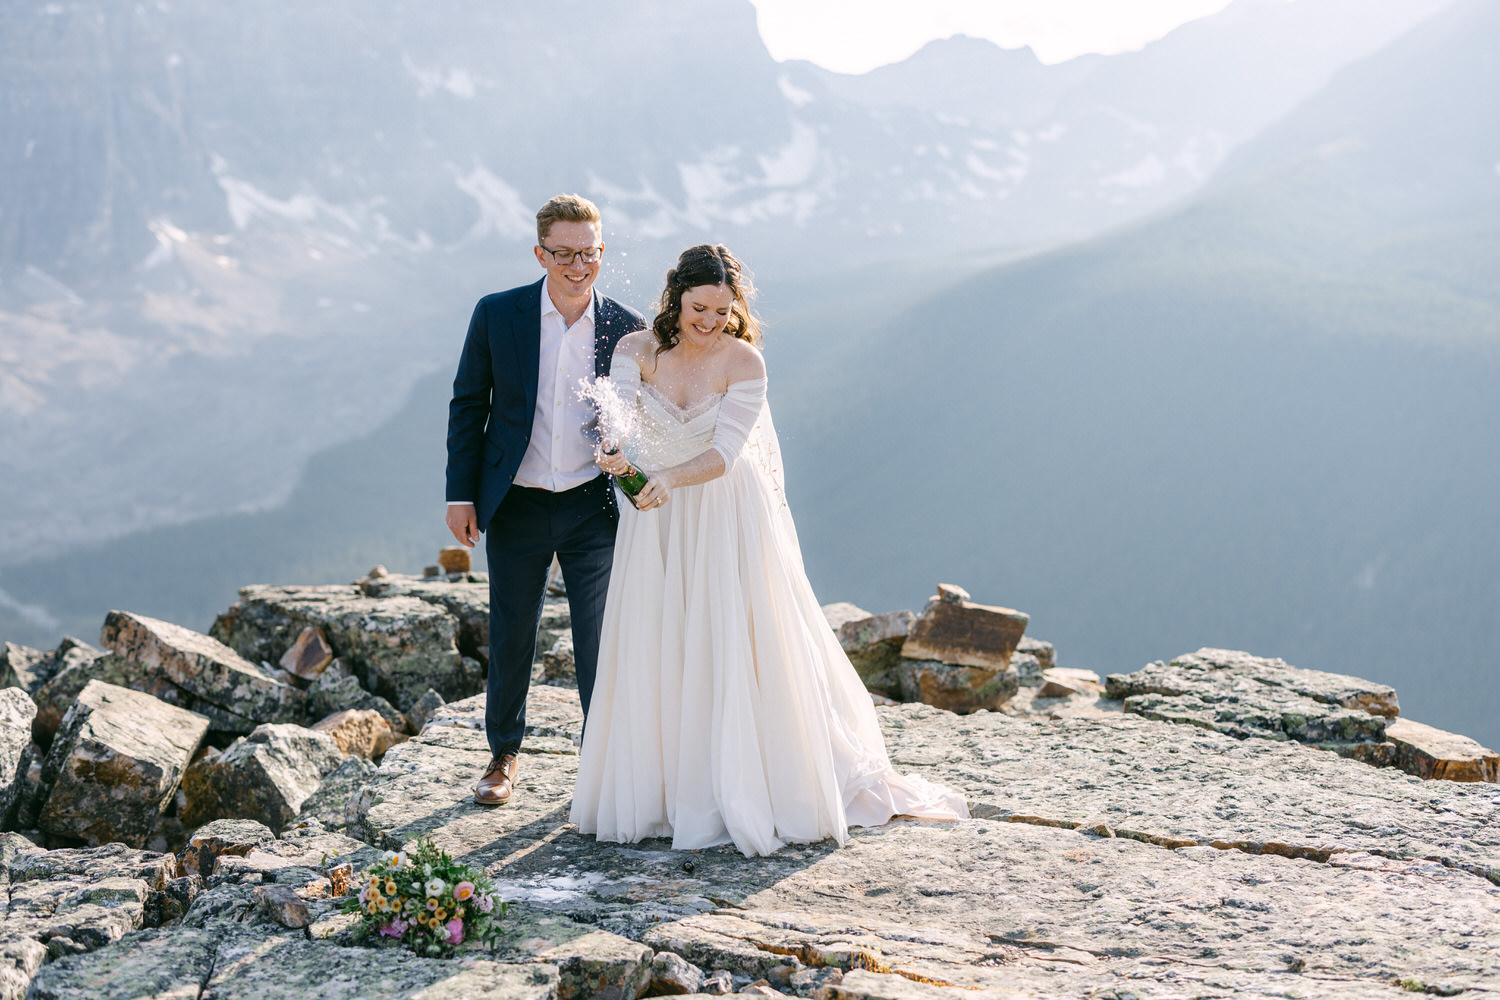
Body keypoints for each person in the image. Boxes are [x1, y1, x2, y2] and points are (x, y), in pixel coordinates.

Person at [570, 245, 968, 856]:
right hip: (655, 517)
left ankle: (739, 781)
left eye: (723, 311)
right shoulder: (635, 349)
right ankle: (665, 790)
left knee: (733, 639)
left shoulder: (744, 362)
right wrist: (617, 456)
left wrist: (668, 479)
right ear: (675, 298)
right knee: (661, 637)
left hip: (724, 511)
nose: (710, 321)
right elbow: (614, 422)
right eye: (699, 308)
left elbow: (727, 454)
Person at [445, 194, 645, 806]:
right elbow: (468, 403)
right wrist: (460, 495)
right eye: (564, 253)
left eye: (589, 253)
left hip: (593, 505)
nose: (578, 265)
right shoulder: (497, 314)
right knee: (511, 633)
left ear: (602, 252)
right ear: (540, 253)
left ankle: (601, 762)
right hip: (517, 501)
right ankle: (503, 754)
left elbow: (643, 416)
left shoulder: (626, 326)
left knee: (598, 636)